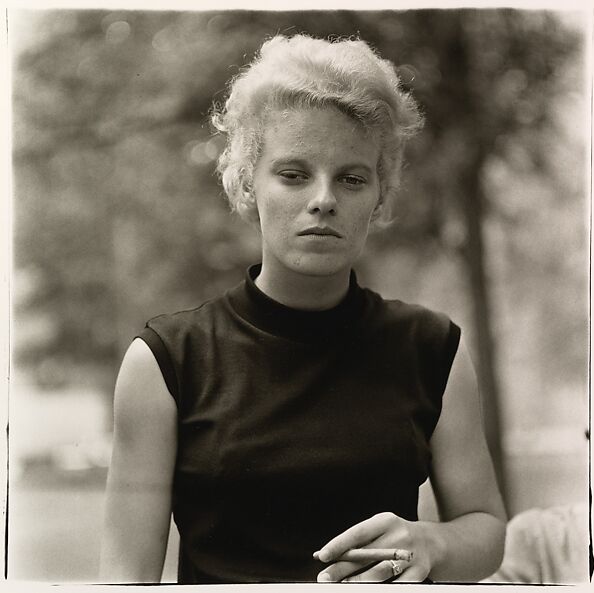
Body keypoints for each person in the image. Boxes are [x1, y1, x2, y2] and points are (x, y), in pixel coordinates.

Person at [99, 34, 506, 584]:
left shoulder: (433, 349)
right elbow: (125, 579)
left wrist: (432, 544)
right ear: (248, 182)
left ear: (380, 195)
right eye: (293, 174)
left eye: (352, 178)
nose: (323, 199)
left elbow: (485, 528)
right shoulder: (166, 362)